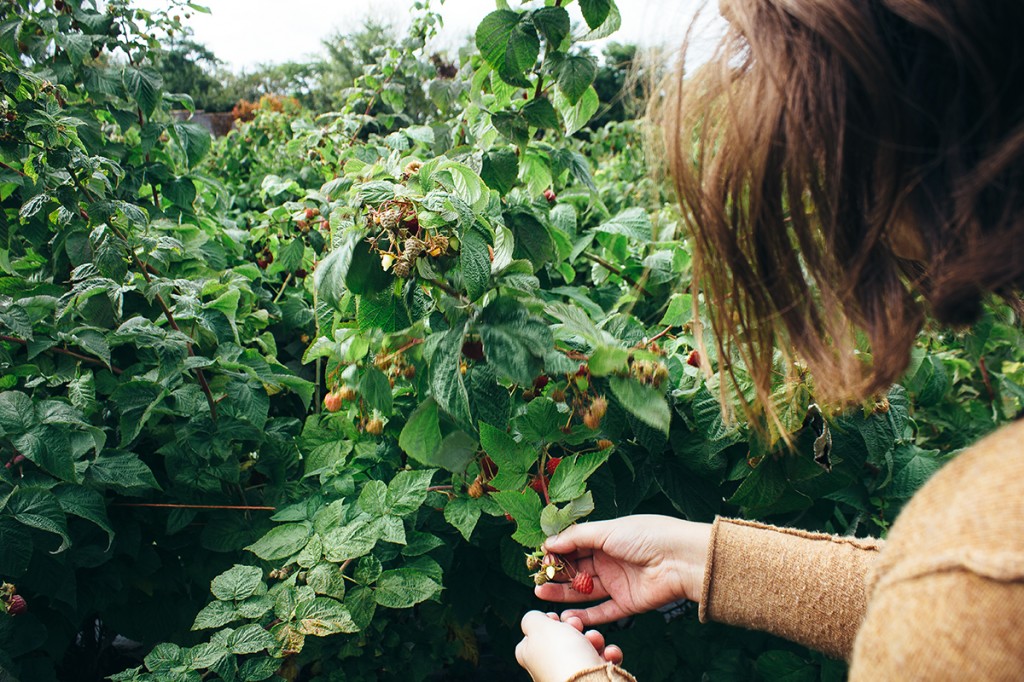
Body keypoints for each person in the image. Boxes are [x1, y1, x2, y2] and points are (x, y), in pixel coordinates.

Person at [516, 0, 1024, 680]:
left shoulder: (979, 576)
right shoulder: (980, 569)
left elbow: (963, 600)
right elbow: (959, 597)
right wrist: (703, 561)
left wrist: (580, 679)